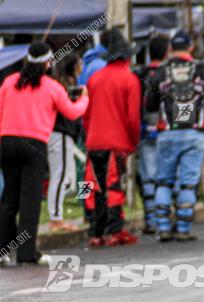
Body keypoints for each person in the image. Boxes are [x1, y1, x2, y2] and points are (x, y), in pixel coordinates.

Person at [0, 41, 89, 266]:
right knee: (30, 201)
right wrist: (85, 98)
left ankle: (0, 251)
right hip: (34, 145)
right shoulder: (52, 87)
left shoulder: (9, 82)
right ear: (48, 63)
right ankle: (27, 253)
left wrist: (3, 133)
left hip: (7, 141)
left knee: (9, 198)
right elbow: (72, 112)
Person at [145, 30, 204, 242]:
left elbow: (149, 105)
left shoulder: (160, 72)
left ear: (170, 49)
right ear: (190, 47)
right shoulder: (202, 70)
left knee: (164, 182)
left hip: (167, 133)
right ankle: (184, 228)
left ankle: (163, 228)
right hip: (193, 134)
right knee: (188, 183)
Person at [82, 27, 142, 247]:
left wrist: (89, 136)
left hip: (93, 141)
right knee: (114, 185)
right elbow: (132, 118)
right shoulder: (130, 80)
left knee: (91, 187)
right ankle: (115, 231)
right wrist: (134, 142)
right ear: (126, 56)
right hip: (115, 143)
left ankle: (94, 231)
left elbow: (86, 115)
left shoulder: (95, 79)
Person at [136, 33, 170, 234]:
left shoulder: (140, 74)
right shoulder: (169, 73)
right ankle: (164, 219)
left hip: (145, 129)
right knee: (165, 177)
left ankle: (151, 220)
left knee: (148, 176)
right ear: (167, 51)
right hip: (167, 130)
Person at [47, 53, 84, 233]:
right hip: (60, 133)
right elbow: (71, 112)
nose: (81, 66)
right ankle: (56, 217)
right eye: (79, 63)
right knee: (61, 176)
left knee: (67, 177)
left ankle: (58, 213)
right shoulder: (63, 87)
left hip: (65, 134)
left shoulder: (64, 84)